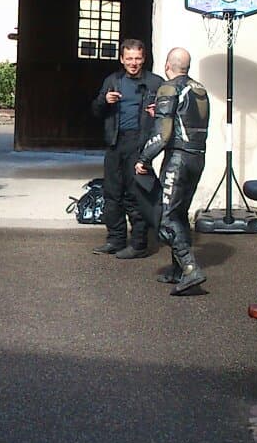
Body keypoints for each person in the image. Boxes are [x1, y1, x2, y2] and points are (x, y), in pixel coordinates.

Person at [133, 47, 211, 295]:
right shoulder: (200, 88)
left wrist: (144, 159)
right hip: (197, 157)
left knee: (167, 217)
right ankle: (178, 270)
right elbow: (186, 120)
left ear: (168, 65)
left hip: (177, 158)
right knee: (180, 213)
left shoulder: (168, 87)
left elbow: (163, 133)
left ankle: (190, 269)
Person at [89, 39, 159, 258]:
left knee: (135, 195)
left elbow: (171, 116)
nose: (134, 63)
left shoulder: (156, 83)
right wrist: (104, 100)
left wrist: (159, 113)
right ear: (122, 59)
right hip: (115, 142)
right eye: (129, 58)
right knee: (112, 194)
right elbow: (95, 112)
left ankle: (139, 244)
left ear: (144, 58)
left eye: (138, 58)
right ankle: (115, 240)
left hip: (139, 144)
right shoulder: (113, 81)